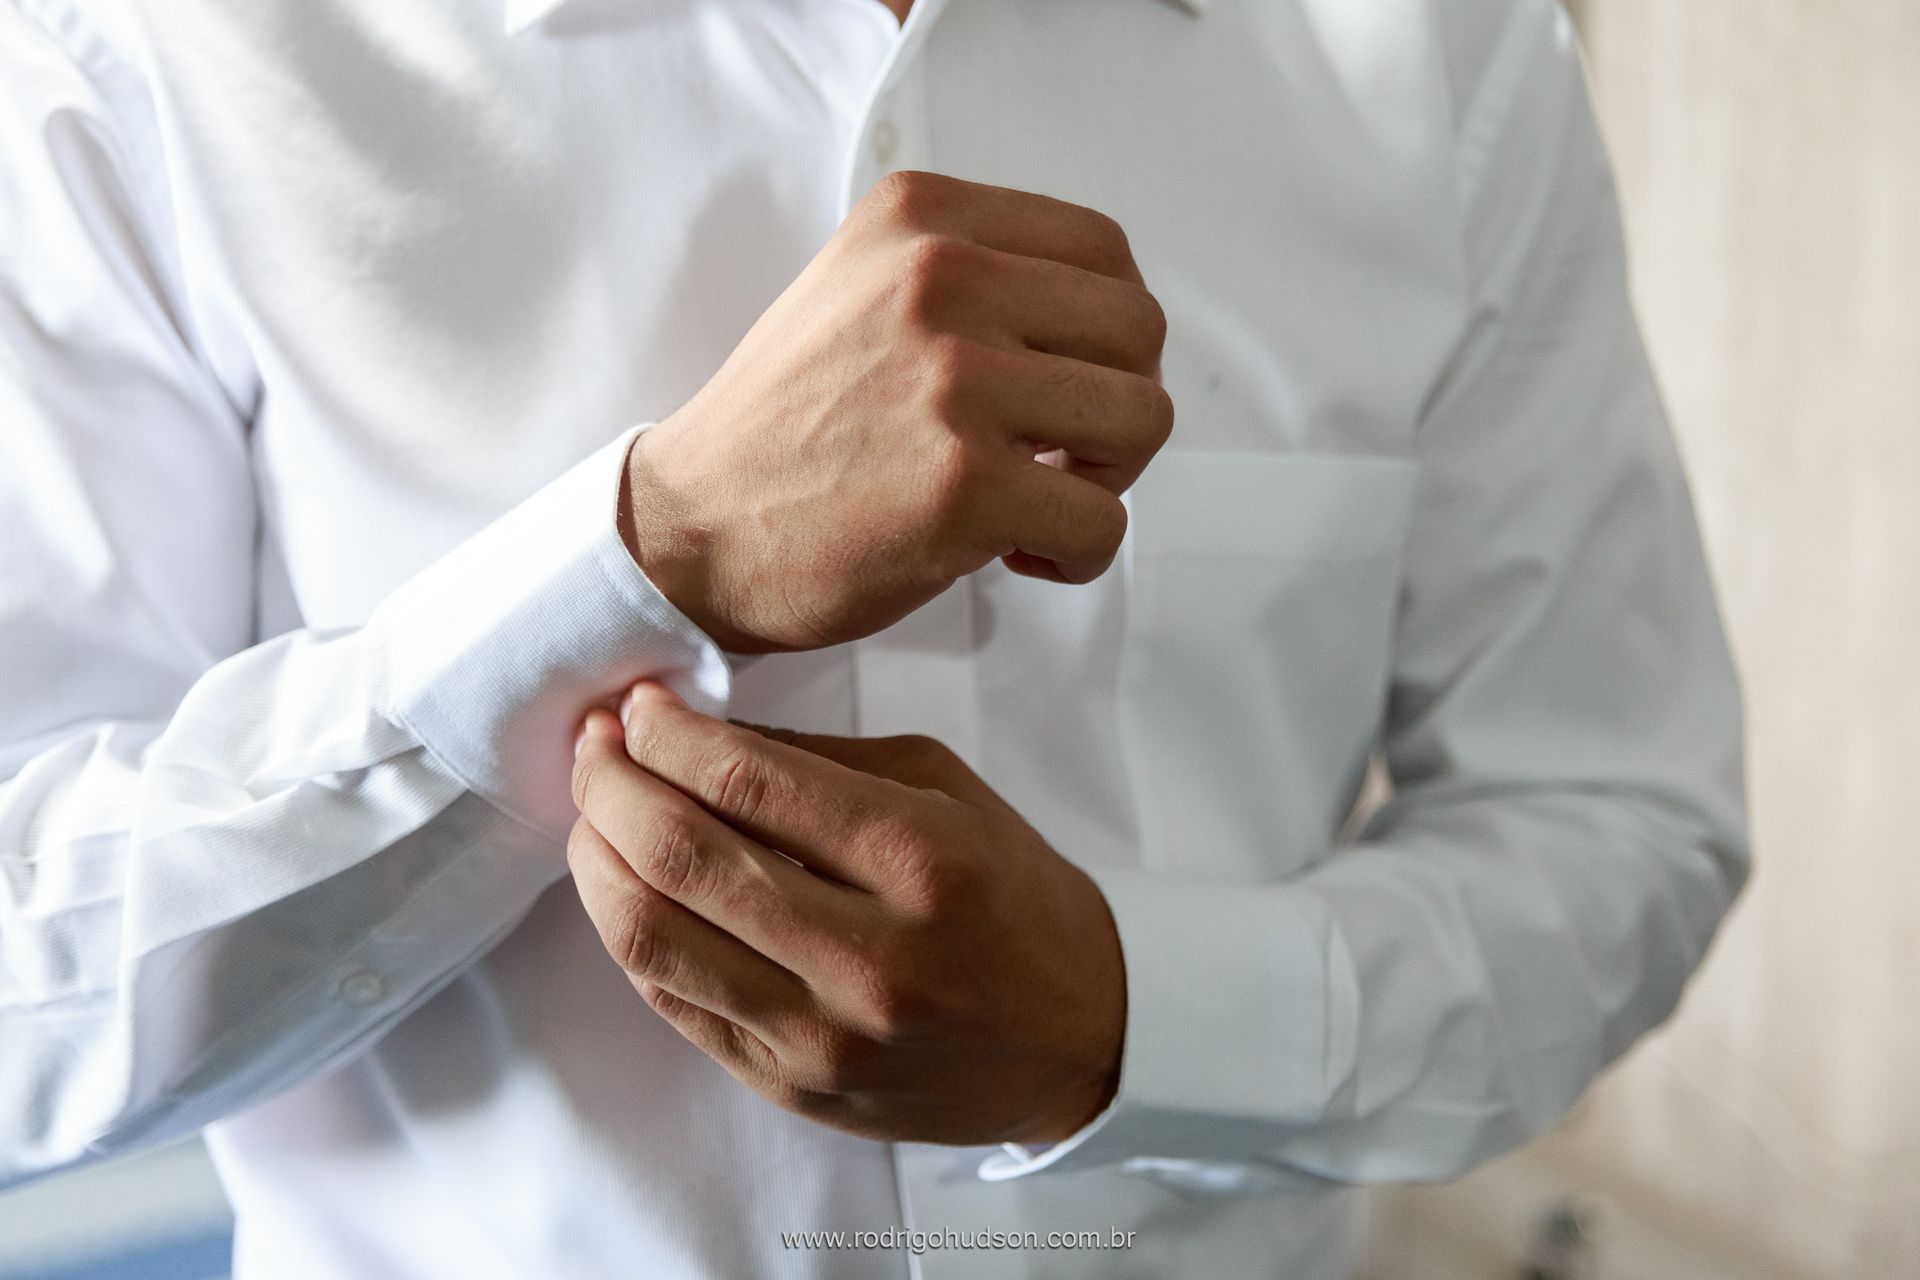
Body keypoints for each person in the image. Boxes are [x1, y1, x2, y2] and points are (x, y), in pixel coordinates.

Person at [0, 0, 1749, 1275]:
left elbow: (1620, 830)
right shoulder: (155, 61)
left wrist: (1132, 1023)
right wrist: (647, 554)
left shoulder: (1444, 54)